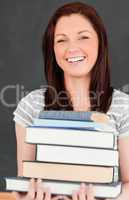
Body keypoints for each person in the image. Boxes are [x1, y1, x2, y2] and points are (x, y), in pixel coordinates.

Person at [13, 1, 129, 200]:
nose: (72, 48)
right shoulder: (31, 106)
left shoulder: (123, 107)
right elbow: (24, 183)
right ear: (52, 49)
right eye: (61, 40)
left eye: (83, 37)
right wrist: (26, 197)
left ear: (100, 43)